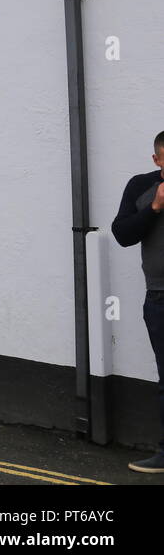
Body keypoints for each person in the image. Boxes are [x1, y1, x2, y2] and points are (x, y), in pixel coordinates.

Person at [111, 130, 164, 474]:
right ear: (157, 160)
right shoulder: (140, 187)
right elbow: (122, 235)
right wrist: (156, 207)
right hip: (160, 297)